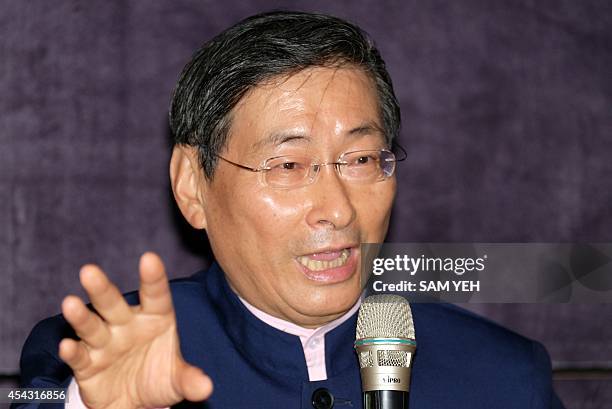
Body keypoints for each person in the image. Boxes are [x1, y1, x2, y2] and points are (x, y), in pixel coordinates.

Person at [14, 11, 564, 409]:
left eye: (362, 158)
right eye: (288, 166)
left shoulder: (505, 375)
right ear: (192, 187)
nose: (338, 210)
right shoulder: (81, 353)